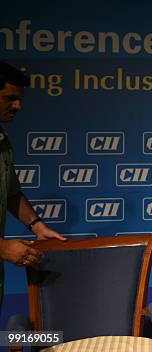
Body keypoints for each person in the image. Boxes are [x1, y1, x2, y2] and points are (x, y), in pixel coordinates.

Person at [0, 61, 66, 308]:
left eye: (19, 98)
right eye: (10, 98)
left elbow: (11, 194)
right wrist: (2, 248)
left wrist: (37, 226)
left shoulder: (2, 142)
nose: (18, 105)